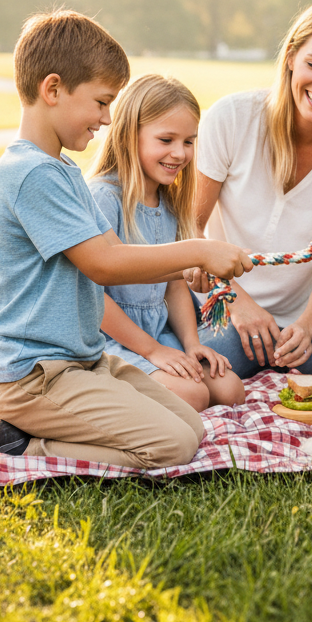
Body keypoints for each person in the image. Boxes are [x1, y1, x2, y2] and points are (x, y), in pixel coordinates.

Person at [0, 11, 252, 463]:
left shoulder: (62, 171)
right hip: (32, 378)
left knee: (191, 423)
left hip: (81, 363)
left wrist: (189, 263)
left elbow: (119, 252)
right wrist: (200, 248)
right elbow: (103, 263)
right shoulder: (30, 174)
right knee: (175, 444)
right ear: (53, 90)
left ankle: (48, 428)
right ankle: (24, 440)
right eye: (101, 102)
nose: (107, 118)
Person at [187, 0, 312, 378]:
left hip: (309, 327)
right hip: (225, 308)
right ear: (292, 57)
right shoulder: (232, 118)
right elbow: (189, 227)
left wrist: (307, 327)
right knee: (207, 369)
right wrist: (236, 302)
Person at [87, 74, 245, 412]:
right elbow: (91, 298)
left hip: (158, 335)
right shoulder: (104, 197)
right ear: (130, 136)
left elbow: (173, 286)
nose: (180, 153)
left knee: (230, 389)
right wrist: (152, 351)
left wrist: (191, 344)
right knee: (193, 395)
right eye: (166, 139)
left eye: (189, 141)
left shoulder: (170, 203)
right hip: (108, 342)